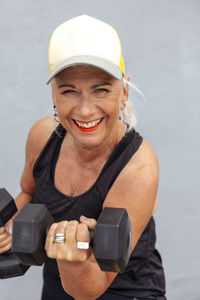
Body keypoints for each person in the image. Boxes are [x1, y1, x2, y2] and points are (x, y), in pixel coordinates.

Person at [0, 15, 166, 300]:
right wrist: (9, 228)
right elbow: (29, 192)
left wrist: (70, 257)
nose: (86, 110)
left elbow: (91, 289)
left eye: (101, 89)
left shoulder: (138, 168)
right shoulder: (42, 136)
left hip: (124, 292)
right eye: (69, 91)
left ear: (123, 92)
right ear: (54, 94)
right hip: (56, 287)